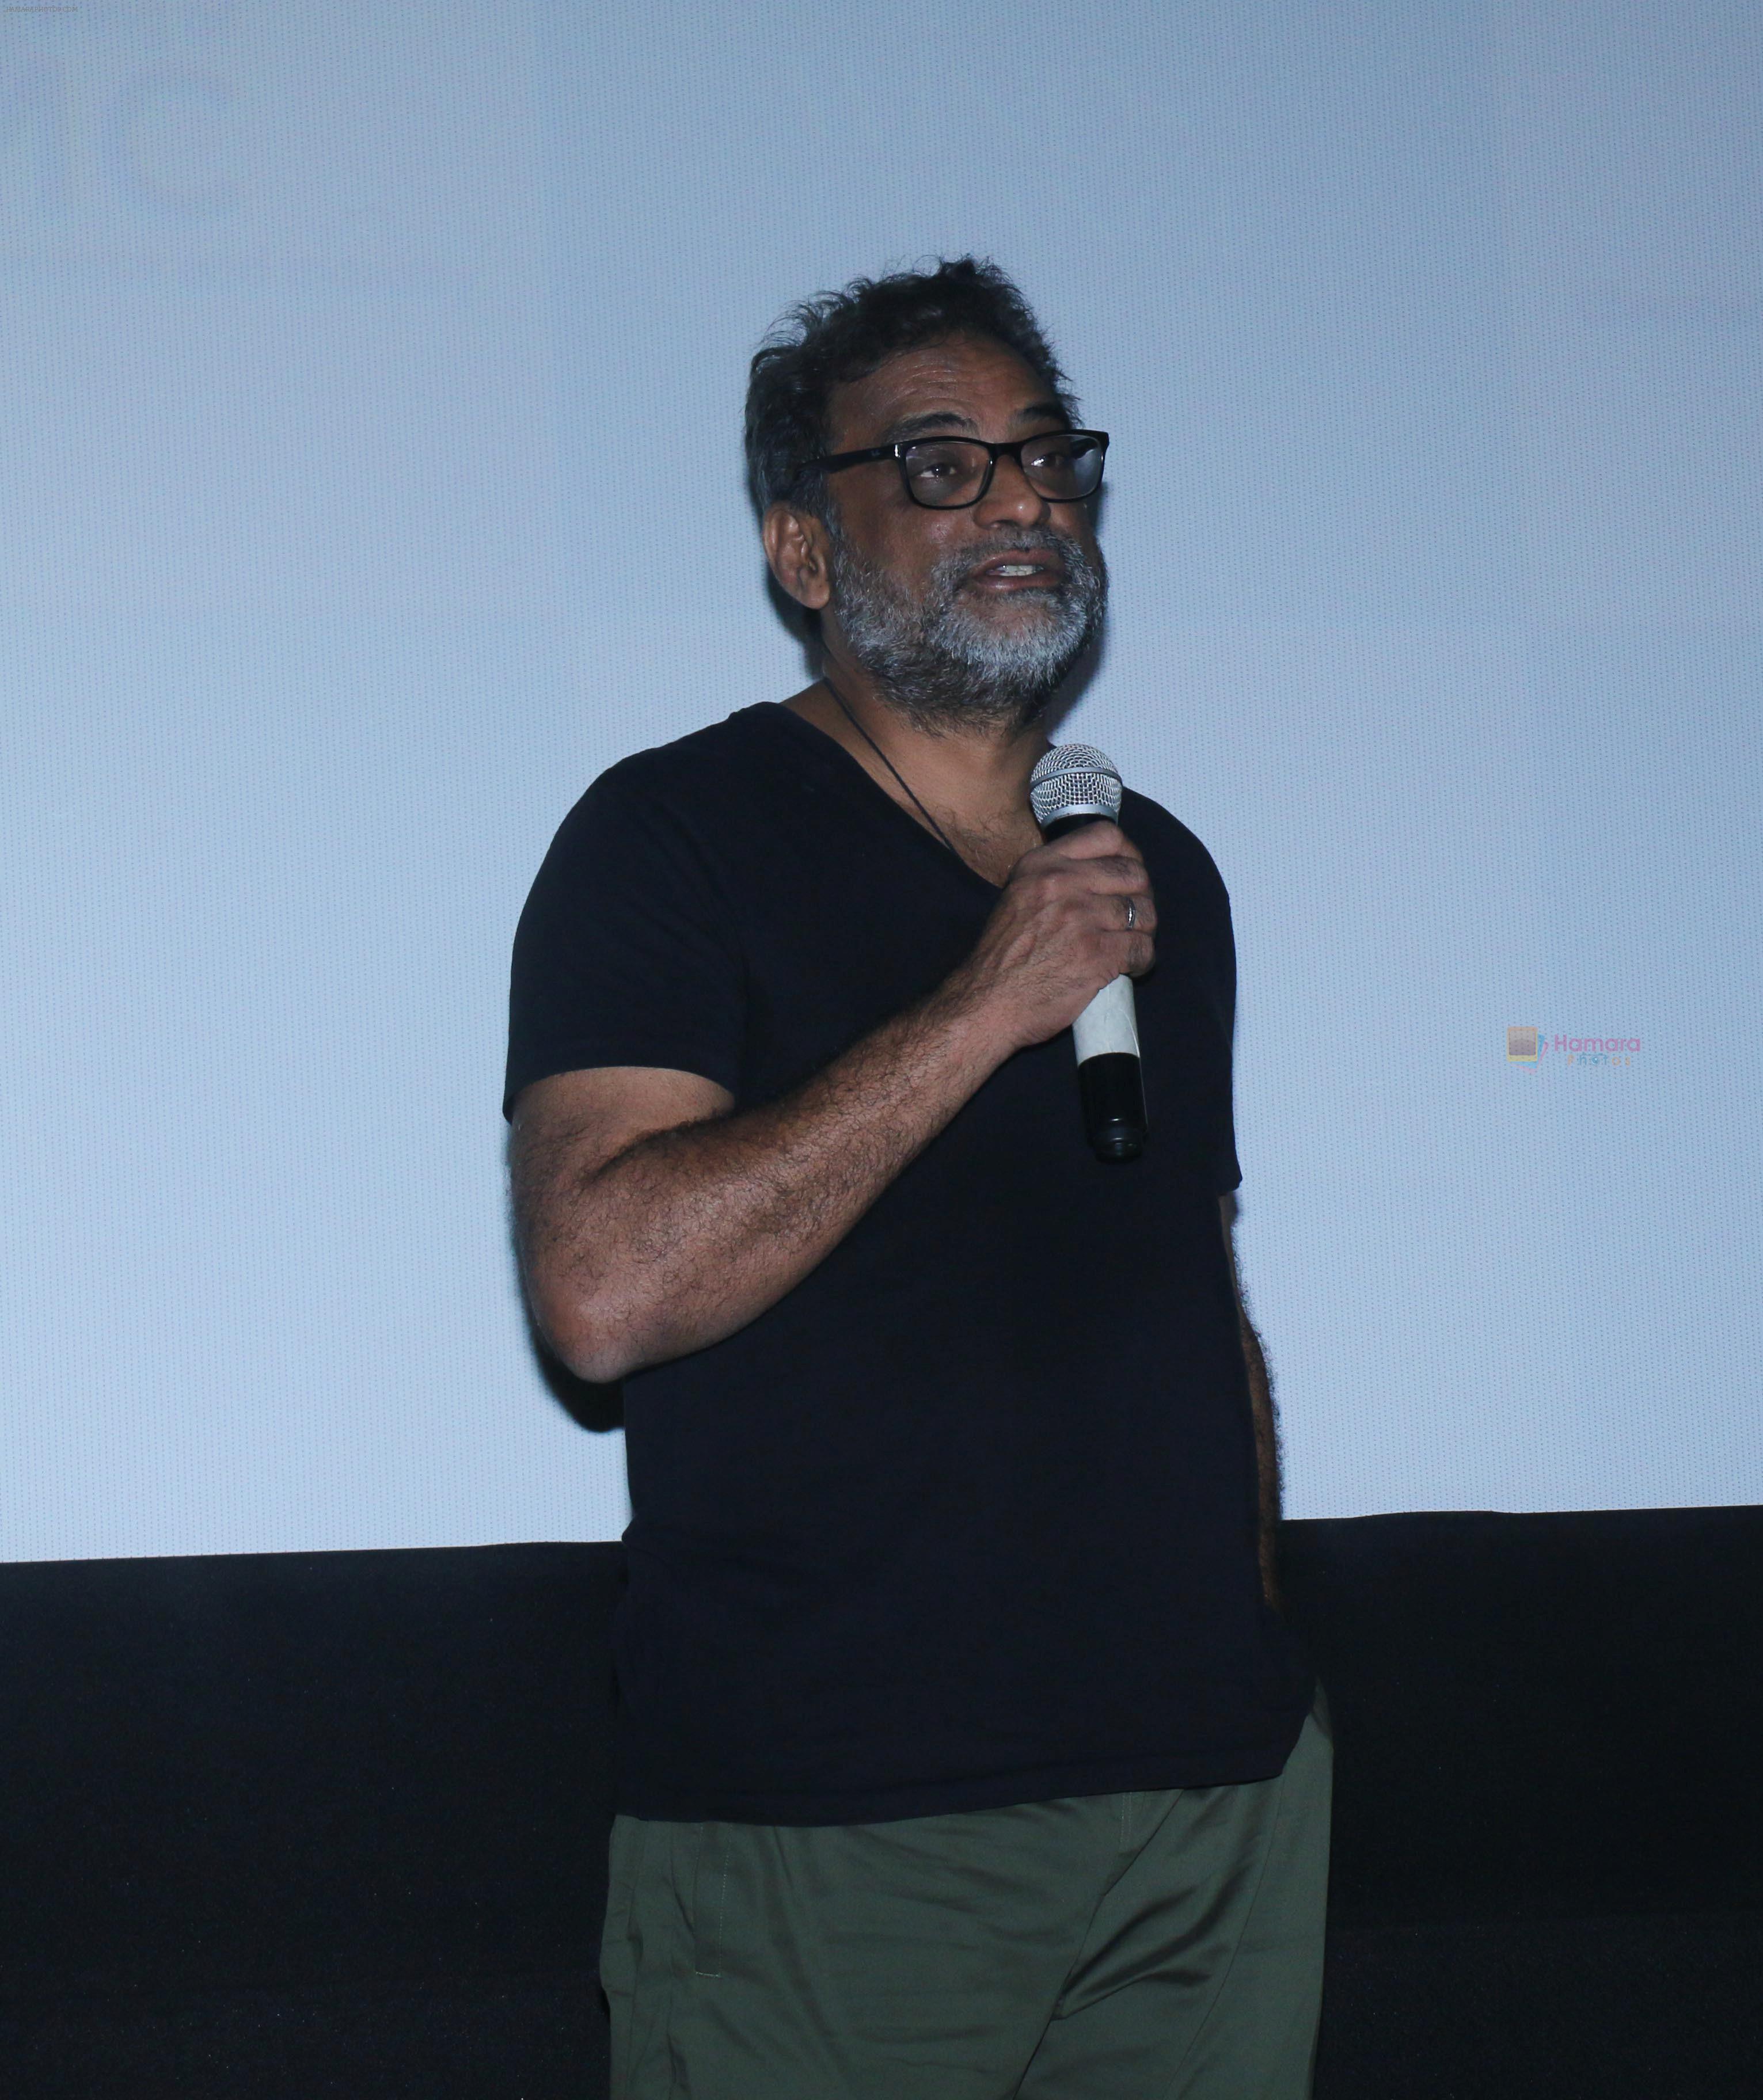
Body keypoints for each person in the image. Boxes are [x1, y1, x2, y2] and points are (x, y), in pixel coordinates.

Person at [505, 258, 1325, 2099]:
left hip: (1213, 1809)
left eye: (1049, 456)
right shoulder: (670, 839)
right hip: (843, 1821)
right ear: (808, 553)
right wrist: (982, 1007)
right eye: (944, 464)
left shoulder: (1148, 867)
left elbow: (1192, 1281)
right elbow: (601, 1292)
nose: (1027, 496)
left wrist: (1256, 1650)